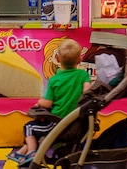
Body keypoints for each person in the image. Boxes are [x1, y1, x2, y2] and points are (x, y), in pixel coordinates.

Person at [7, 38, 91, 166]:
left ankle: (32, 153)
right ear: (79, 59)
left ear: (57, 59)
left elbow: (48, 104)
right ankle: (23, 152)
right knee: (36, 127)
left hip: (57, 122)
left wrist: (40, 102)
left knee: (29, 128)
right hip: (75, 123)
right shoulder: (83, 75)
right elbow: (87, 93)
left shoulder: (55, 79)